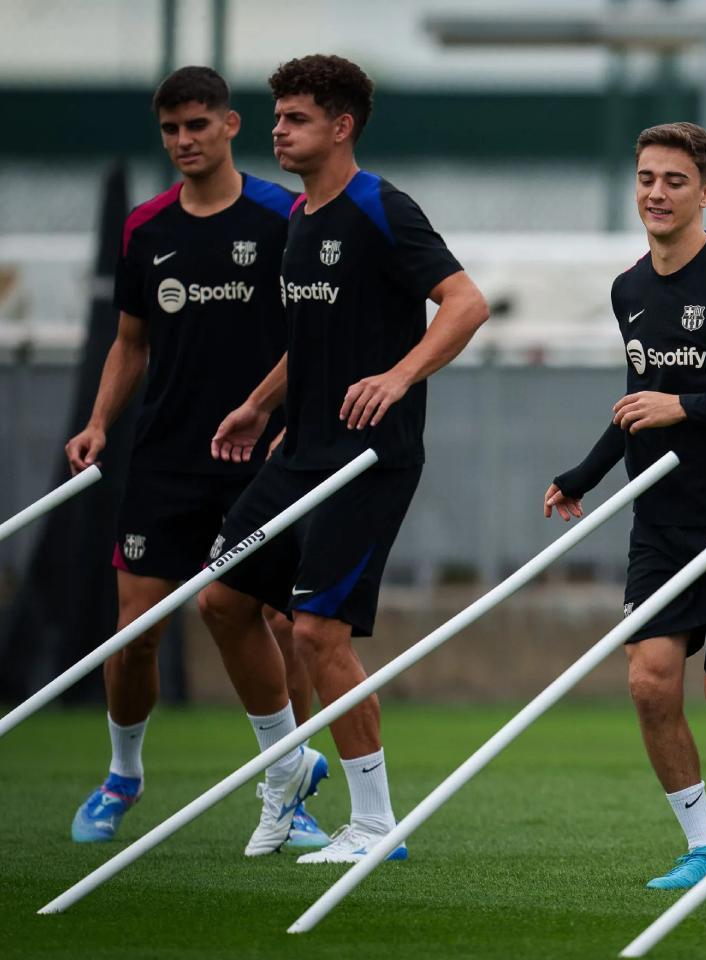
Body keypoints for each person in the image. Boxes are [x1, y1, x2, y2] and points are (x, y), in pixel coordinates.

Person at [197, 54, 489, 864]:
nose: (277, 132)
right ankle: (288, 769)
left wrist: (399, 377)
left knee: (318, 631)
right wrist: (261, 403)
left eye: (294, 118)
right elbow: (310, 340)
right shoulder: (299, 217)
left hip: (369, 459)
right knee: (220, 601)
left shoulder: (381, 208)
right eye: (278, 117)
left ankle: (373, 826)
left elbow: (467, 304)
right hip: (300, 452)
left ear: (341, 125)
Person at [62, 65, 327, 850]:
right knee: (133, 632)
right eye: (171, 130)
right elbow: (131, 342)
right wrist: (99, 422)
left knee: (282, 623)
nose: (184, 141)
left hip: (259, 460)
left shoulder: (284, 215)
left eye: (197, 126)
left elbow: (314, 337)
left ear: (230, 126)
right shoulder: (146, 228)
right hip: (166, 460)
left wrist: (277, 415)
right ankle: (123, 775)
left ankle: (289, 786)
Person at [544, 122, 706, 890]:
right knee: (648, 679)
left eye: (675, 182)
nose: (656, 194)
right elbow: (639, 400)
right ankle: (701, 848)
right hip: (662, 523)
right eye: (647, 179)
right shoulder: (629, 288)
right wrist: (586, 473)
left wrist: (685, 410)